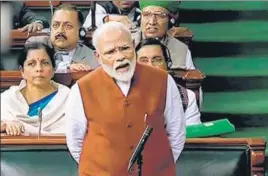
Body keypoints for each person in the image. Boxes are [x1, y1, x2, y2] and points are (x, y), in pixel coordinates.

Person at [65, 22, 185, 176]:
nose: (120, 57)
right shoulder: (81, 89)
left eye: (125, 48)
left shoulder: (163, 80)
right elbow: (75, 142)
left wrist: (156, 167)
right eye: (110, 52)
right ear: (98, 57)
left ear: (133, 45)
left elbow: (176, 133)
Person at [0, 42, 70, 136]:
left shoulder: (68, 98)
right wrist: (5, 126)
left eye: (45, 63)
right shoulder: (8, 99)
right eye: (31, 64)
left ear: (53, 70)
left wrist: (23, 128)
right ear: (22, 71)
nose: (39, 69)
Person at [136, 38, 201, 126]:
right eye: (144, 60)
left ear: (167, 64)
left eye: (157, 60)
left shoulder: (187, 97)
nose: (150, 66)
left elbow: (192, 134)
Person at [26, 4, 99, 73]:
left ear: (80, 32)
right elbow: (32, 68)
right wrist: (66, 67)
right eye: (55, 25)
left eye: (68, 26)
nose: (60, 31)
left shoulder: (92, 58)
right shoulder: (35, 44)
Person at [133, 1, 195, 69]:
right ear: (139, 19)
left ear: (170, 21)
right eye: (146, 15)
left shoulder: (181, 50)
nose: (152, 22)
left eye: (160, 16)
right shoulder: (128, 44)